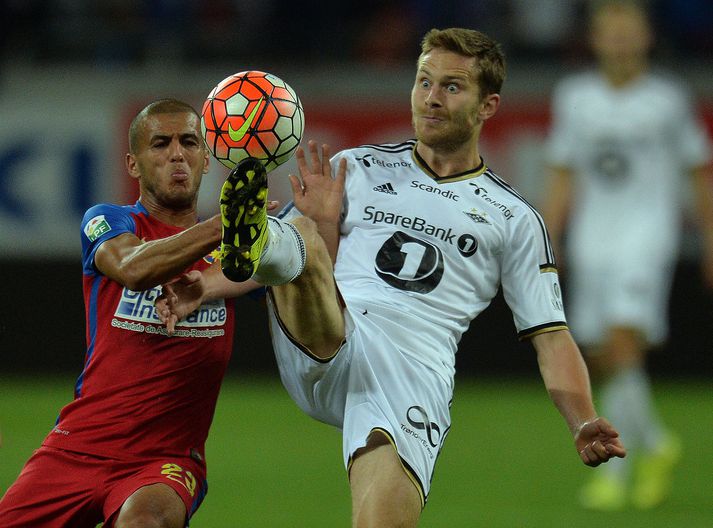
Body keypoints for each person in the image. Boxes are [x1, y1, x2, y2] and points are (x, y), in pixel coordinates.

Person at [158, 28, 626, 527]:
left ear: (487, 105)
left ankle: (268, 237)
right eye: (423, 82)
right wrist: (204, 286)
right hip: (328, 336)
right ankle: (257, 235)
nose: (431, 98)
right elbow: (309, 264)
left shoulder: (514, 218)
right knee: (307, 240)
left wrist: (582, 418)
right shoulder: (354, 168)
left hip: (409, 374)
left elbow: (551, 337)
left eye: (451, 87)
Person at [0, 98, 264, 527]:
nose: (177, 153)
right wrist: (223, 226)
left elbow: (301, 262)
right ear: (133, 164)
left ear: (205, 158)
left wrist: (308, 227)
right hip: (75, 447)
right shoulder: (107, 221)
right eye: (161, 144)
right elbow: (133, 268)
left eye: (190, 142)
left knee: (144, 523)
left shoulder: (235, 249)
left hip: (165, 462)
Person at [542, 0, 713, 511]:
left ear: (646, 38)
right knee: (601, 353)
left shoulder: (667, 99)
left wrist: (709, 237)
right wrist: (550, 239)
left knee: (621, 341)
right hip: (594, 238)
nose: (619, 41)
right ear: (595, 40)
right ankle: (656, 444)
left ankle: (616, 476)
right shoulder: (575, 97)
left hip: (646, 236)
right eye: (610, 33)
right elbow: (562, 170)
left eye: (628, 32)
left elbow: (696, 170)